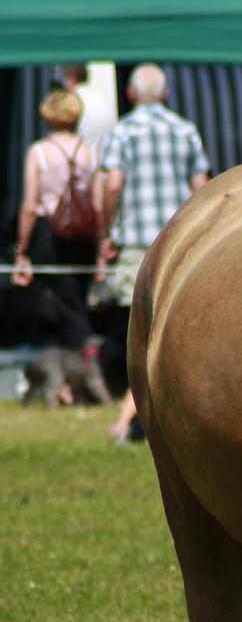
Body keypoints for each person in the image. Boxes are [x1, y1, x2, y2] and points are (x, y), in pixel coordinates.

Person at [98, 63, 210, 442]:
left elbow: (112, 185)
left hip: (136, 243)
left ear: (130, 94)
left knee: (140, 336)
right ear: (165, 93)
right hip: (181, 242)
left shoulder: (123, 130)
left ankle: (130, 417)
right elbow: (203, 188)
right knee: (175, 331)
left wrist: (106, 230)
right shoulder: (185, 130)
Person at [11, 88, 102, 382]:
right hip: (84, 237)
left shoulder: (39, 152)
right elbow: (98, 205)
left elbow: (29, 206)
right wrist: (102, 248)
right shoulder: (90, 152)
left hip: (51, 237)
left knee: (68, 310)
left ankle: (80, 375)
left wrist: (21, 250)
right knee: (75, 302)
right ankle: (78, 374)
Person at [61, 63, 119, 157]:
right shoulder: (103, 100)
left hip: (79, 164)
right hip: (102, 163)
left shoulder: (72, 102)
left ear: (71, 78)